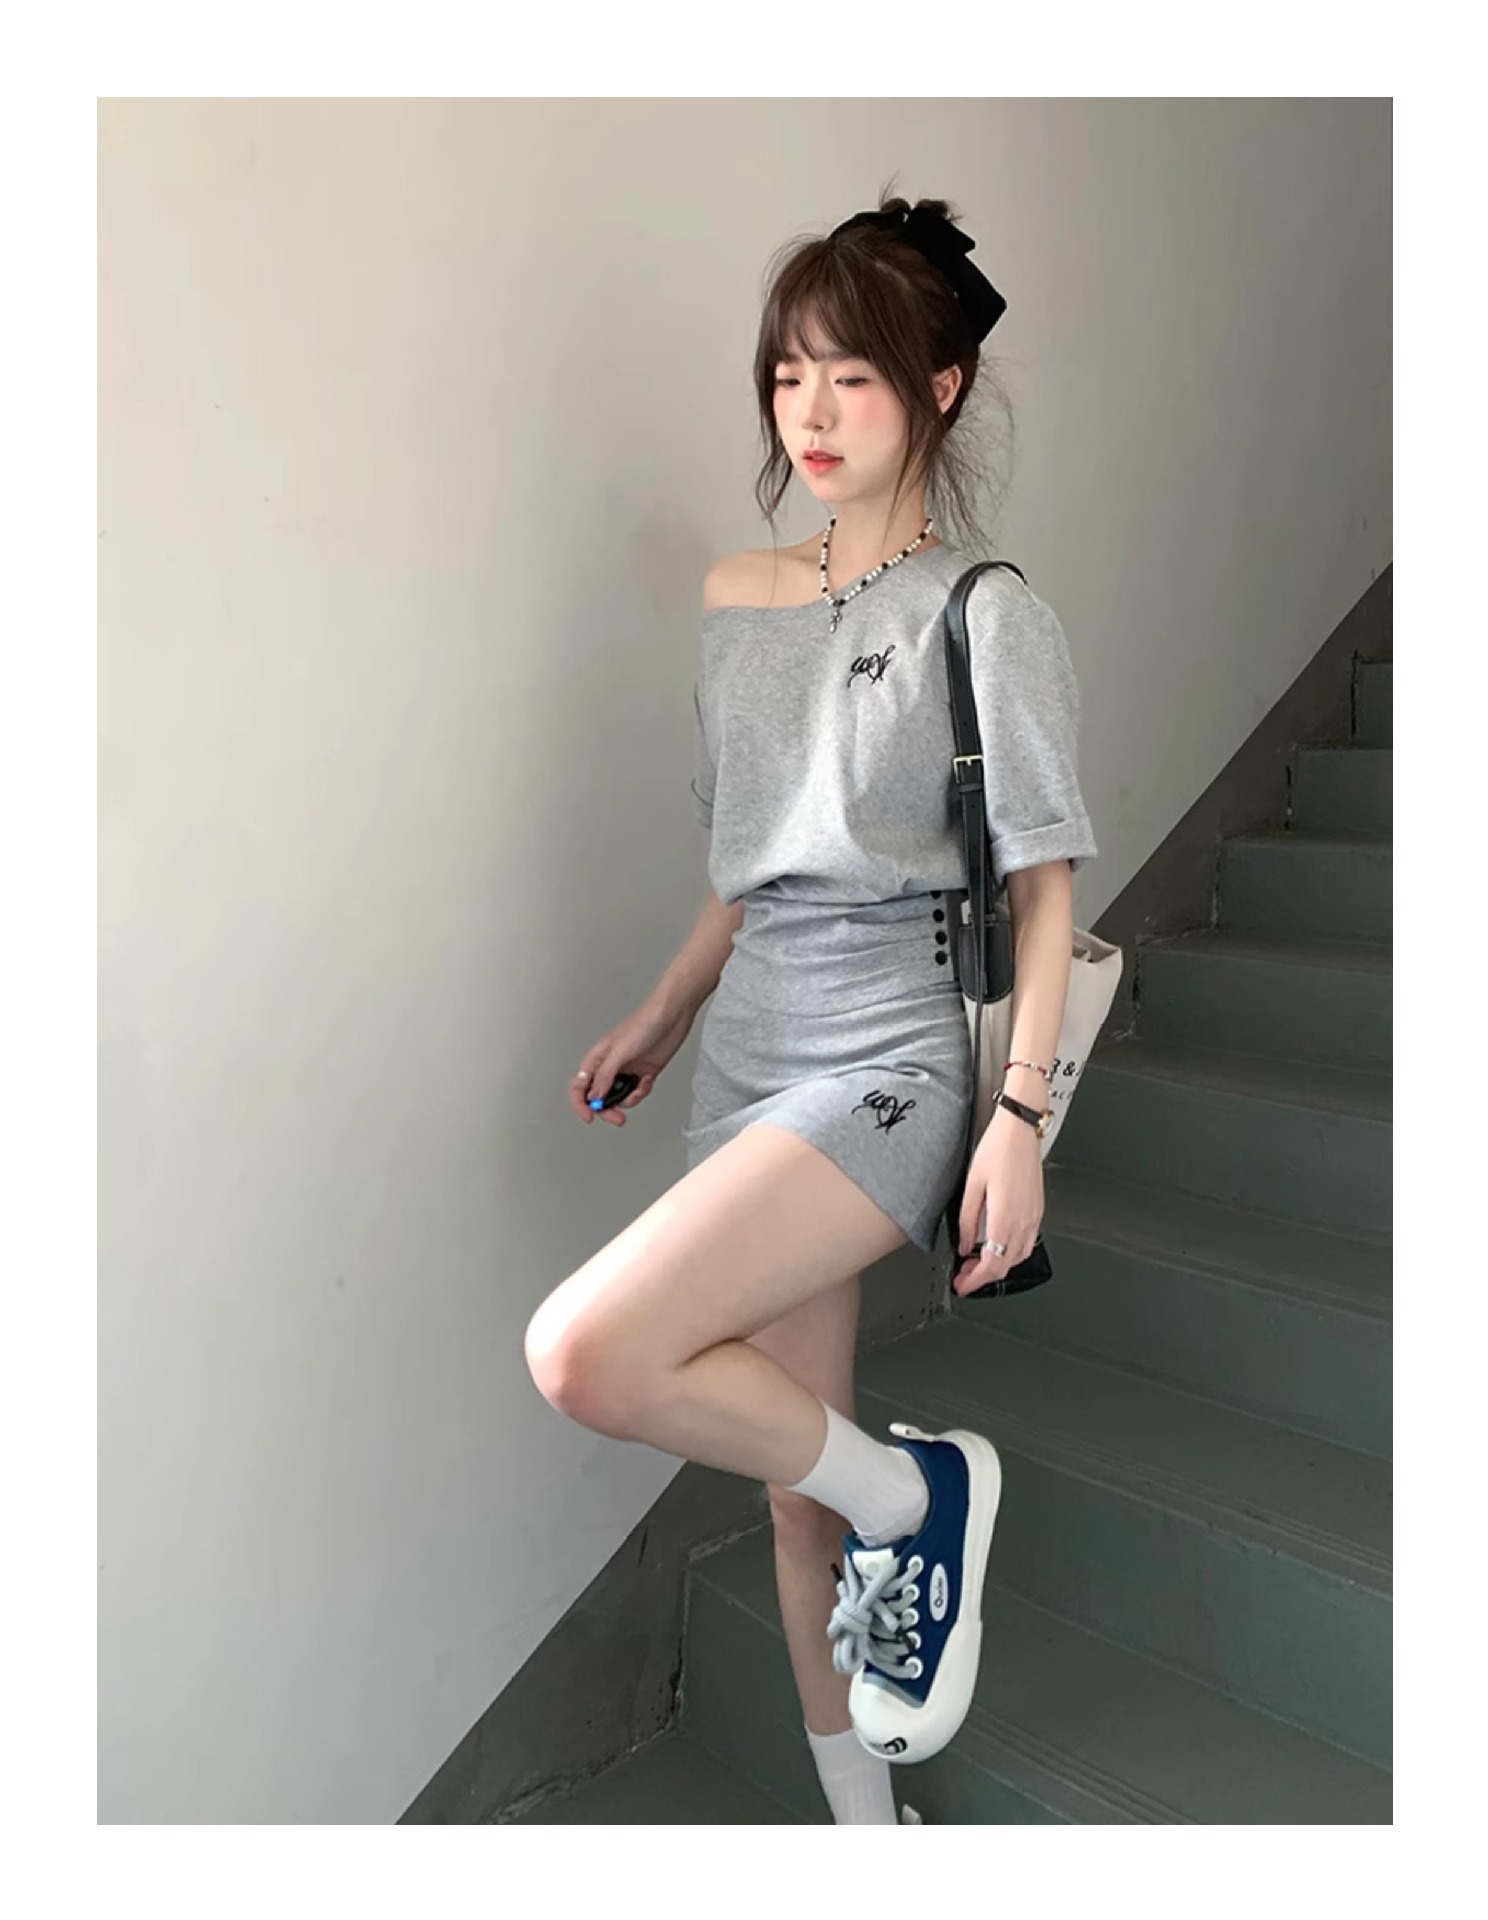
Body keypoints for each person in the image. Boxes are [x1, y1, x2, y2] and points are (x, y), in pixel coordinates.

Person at [525, 186, 1098, 1825]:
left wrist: (1020, 1118)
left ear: (941, 388)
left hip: (891, 1059)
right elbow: (749, 863)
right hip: (752, 1050)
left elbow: (1044, 886)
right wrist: (663, 1013)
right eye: (790, 375)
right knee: (796, 1487)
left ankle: (919, 1494)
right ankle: (866, 1834)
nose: (815, 412)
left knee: (586, 1352)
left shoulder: (989, 611)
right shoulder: (737, 596)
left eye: (855, 375)